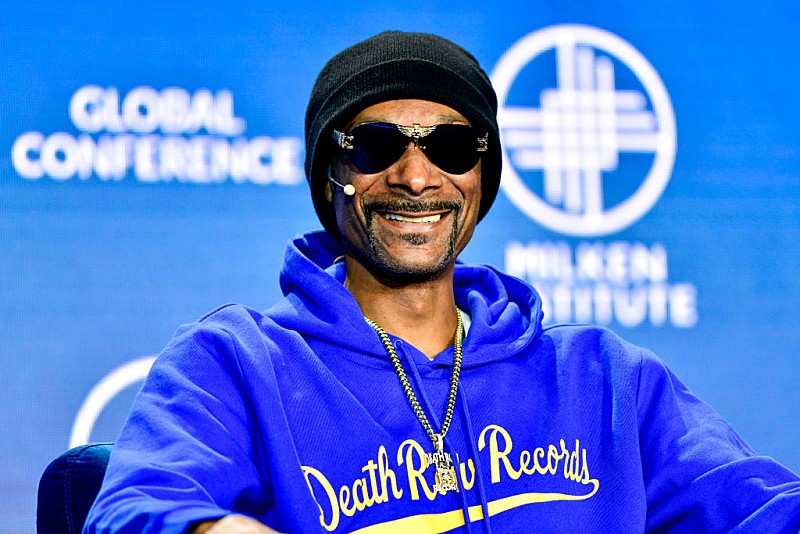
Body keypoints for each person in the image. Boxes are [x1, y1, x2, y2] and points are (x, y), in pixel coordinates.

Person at [84, 31, 800, 534]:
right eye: (376, 146)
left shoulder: (604, 379)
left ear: (481, 178)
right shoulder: (236, 362)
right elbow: (135, 512)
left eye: (451, 147)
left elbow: (762, 509)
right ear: (331, 176)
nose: (416, 176)